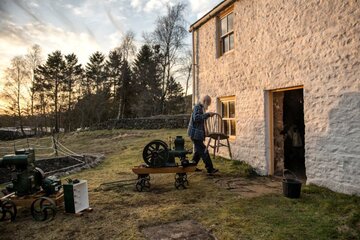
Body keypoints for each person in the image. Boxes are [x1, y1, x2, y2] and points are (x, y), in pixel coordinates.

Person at [188, 95, 219, 174]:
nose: (208, 105)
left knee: (198, 152)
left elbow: (201, 122)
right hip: (195, 134)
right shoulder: (197, 107)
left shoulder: (201, 108)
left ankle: (192, 167)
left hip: (197, 134)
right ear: (204, 101)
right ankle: (210, 169)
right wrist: (208, 114)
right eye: (208, 103)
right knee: (204, 151)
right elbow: (196, 118)